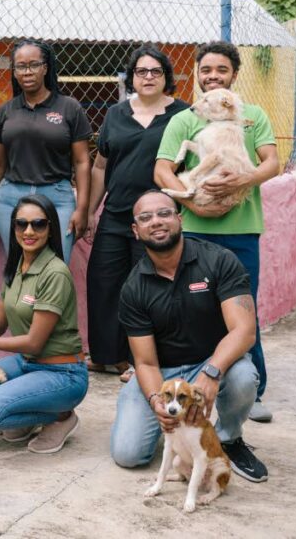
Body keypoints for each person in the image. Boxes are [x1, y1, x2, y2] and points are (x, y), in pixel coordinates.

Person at [154, 41, 280, 423]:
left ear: (234, 75)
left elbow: (271, 163)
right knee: (191, 310)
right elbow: (162, 170)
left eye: (221, 70)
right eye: (206, 70)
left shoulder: (252, 115)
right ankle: (188, 384)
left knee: (244, 311)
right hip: (193, 231)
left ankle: (251, 390)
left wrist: (243, 178)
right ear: (198, 74)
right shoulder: (185, 118)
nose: (212, 76)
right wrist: (190, 203)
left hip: (241, 231)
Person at [110, 190, 268, 482]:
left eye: (164, 213)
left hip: (212, 360)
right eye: (146, 218)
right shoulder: (133, 287)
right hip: (165, 372)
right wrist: (158, 400)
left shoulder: (219, 261)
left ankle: (228, 439)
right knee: (128, 454)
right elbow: (144, 362)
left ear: (180, 219)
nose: (156, 221)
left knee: (244, 377)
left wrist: (211, 372)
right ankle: (176, 432)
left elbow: (244, 332)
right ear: (136, 230)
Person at [0, 194, 88, 454]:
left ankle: (61, 417)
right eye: (21, 224)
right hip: (27, 363)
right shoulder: (18, 265)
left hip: (62, 372)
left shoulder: (54, 272)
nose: (29, 231)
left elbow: (34, 342)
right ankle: (26, 407)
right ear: (13, 228)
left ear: (50, 227)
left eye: (38, 224)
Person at [86, 45, 190, 383]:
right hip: (116, 214)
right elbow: (100, 166)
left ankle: (138, 361)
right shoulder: (116, 113)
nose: (148, 77)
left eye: (155, 72)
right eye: (141, 72)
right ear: (131, 78)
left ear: (166, 78)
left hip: (158, 219)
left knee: (147, 288)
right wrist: (90, 210)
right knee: (103, 282)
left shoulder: (183, 115)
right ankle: (106, 356)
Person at [0, 40, 92, 263]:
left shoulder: (69, 108)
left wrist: (82, 208)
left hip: (57, 198)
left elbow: (82, 162)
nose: (27, 72)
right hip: (10, 199)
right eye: (20, 66)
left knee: (57, 268)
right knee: (18, 267)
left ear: (45, 68)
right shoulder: (6, 111)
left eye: (33, 65)